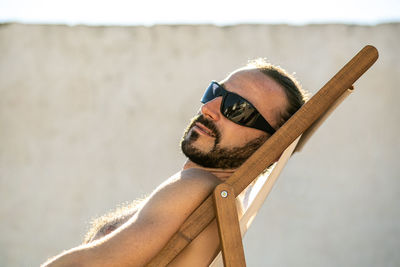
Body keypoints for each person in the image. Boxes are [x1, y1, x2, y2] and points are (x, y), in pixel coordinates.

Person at [42, 59, 308, 266]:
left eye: (237, 108)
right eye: (215, 92)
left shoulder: (197, 186)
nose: (208, 108)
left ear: (271, 148)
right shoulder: (216, 201)